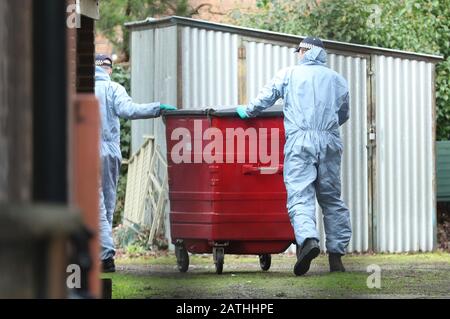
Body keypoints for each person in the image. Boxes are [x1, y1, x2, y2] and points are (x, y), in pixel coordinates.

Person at [236, 37, 352, 276]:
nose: (298, 55)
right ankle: (336, 258)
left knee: (300, 194)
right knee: (331, 198)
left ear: (304, 51)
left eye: (299, 51)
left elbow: (265, 99)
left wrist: (247, 111)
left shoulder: (288, 74)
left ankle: (309, 241)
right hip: (329, 140)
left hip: (300, 141)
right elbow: (344, 114)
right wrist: (325, 128)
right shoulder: (337, 80)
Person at [95, 54, 176, 272]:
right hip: (109, 153)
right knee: (107, 205)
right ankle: (105, 257)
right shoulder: (113, 89)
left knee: (93, 205)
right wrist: (158, 107)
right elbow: (129, 111)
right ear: (109, 69)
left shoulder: (78, 90)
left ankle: (98, 255)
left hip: (84, 151)